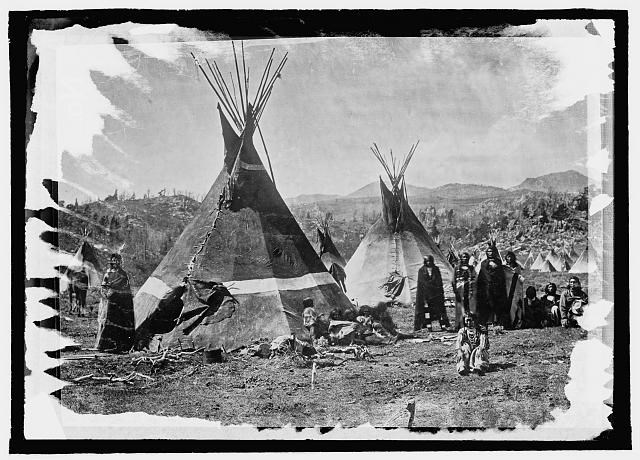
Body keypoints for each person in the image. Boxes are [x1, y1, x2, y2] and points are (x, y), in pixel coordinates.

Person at [95, 253, 135, 352]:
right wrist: (105, 292)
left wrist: (112, 287)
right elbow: (104, 286)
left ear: (120, 262)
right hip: (110, 301)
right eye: (113, 260)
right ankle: (107, 346)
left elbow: (123, 287)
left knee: (119, 323)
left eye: (117, 260)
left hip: (121, 303)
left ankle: (119, 346)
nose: (115, 262)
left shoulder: (123, 274)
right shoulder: (108, 273)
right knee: (109, 322)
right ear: (111, 261)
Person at [415, 255, 451, 331]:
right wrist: (424, 297)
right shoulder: (422, 270)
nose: (429, 263)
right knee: (427, 311)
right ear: (425, 262)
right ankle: (429, 326)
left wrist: (439, 292)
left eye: (430, 261)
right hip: (426, 294)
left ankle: (443, 325)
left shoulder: (436, 269)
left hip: (436, 294)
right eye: (427, 261)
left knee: (439, 311)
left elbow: (439, 281)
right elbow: (421, 284)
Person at [452, 252, 476, 330]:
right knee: (460, 307)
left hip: (469, 289)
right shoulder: (457, 268)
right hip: (459, 290)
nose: (465, 258)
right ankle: (459, 325)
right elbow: (453, 281)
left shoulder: (471, 268)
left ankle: (469, 323)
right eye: (463, 257)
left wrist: (471, 284)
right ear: (461, 258)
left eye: (466, 257)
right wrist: (455, 291)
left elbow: (474, 278)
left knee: (468, 307)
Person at [503, 250, 525, 329]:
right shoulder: (504, 267)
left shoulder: (517, 267)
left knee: (516, 305)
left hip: (516, 288)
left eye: (510, 257)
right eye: (508, 257)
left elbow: (519, 276)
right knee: (509, 306)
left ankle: (516, 322)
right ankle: (509, 323)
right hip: (508, 288)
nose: (509, 258)